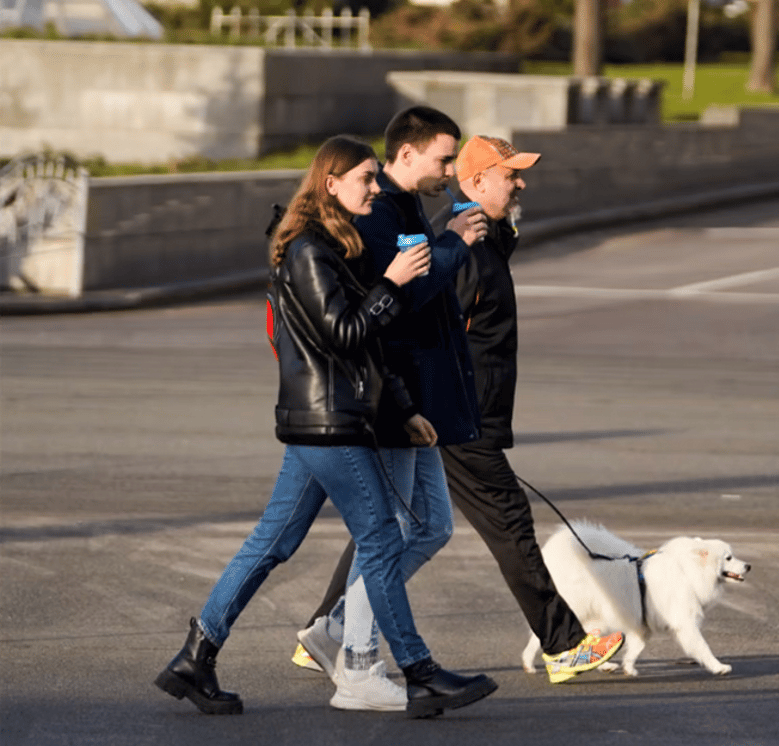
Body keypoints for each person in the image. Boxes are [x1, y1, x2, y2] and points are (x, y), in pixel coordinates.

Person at [154, 135, 496, 718]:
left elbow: (367, 345)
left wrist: (406, 408)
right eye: (365, 178)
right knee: (383, 541)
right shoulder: (310, 250)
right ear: (330, 184)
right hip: (327, 422)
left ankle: (196, 656)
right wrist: (390, 283)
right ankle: (418, 671)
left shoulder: (336, 245)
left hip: (323, 419)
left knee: (273, 542)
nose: (374, 187)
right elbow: (345, 334)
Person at [299, 135, 623, 686]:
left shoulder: (485, 237)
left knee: (391, 524)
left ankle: (324, 630)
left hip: (459, 413)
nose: (520, 183)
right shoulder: (460, 248)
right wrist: (430, 406)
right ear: (474, 182)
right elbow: (425, 322)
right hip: (456, 414)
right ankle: (563, 645)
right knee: (508, 522)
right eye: (509, 175)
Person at [290, 107, 488, 712]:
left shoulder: (401, 211)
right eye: (444, 159)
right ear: (407, 155)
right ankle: (356, 657)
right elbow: (394, 307)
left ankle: (339, 630)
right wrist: (452, 245)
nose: (450, 171)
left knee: (426, 527)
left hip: (411, 400)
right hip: (389, 401)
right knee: (392, 532)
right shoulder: (379, 217)